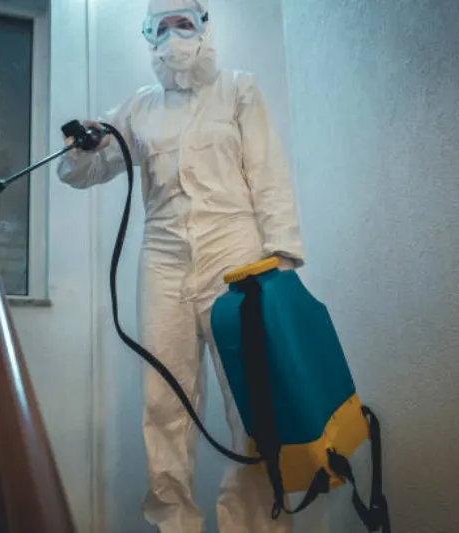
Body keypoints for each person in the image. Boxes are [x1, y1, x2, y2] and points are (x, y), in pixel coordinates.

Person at [57, 1, 303, 531]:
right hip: (164, 258)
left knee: (251, 397)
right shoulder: (141, 106)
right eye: (161, 27)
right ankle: (174, 523)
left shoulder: (239, 89)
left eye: (183, 24)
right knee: (162, 399)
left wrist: (280, 260)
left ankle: (255, 524)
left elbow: (269, 174)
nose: (173, 36)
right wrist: (82, 146)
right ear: (148, 36)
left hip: (236, 253)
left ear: (203, 27)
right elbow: (82, 173)